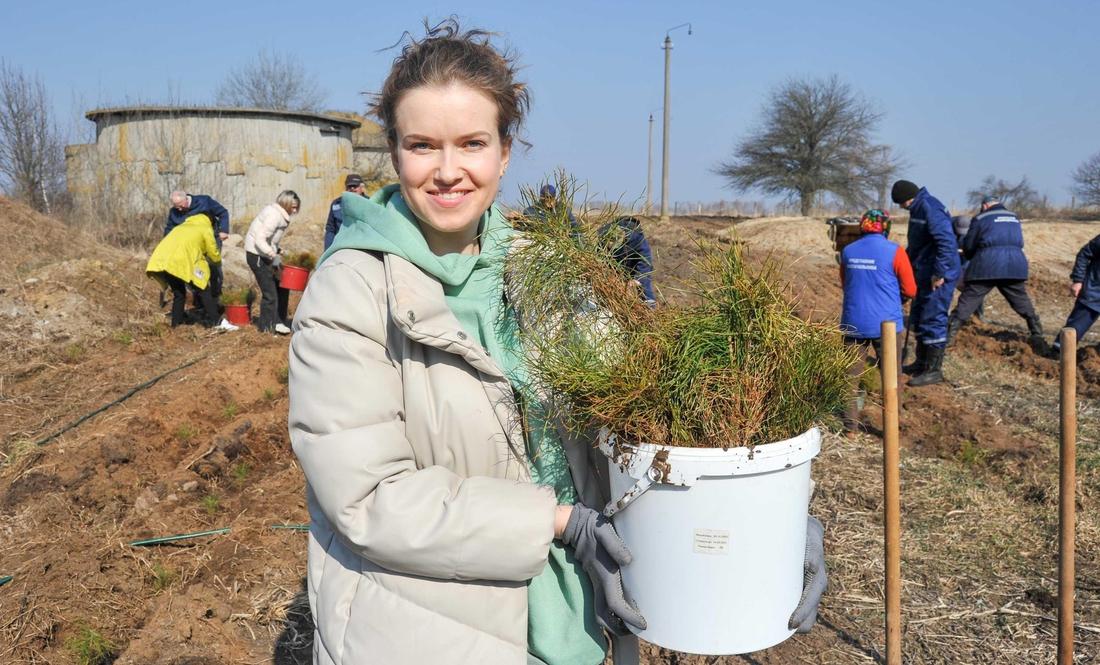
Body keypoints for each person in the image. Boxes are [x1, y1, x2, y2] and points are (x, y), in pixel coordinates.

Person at [287, 22, 825, 665]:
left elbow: (644, 418)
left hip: (584, 632)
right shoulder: (349, 293)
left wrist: (769, 517)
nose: (448, 170)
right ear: (397, 154)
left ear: (505, 152)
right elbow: (370, 499)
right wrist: (561, 522)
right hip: (432, 637)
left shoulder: (550, 274)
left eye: (472, 143)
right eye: (423, 145)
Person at [838, 209, 916, 436]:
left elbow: (846, 285)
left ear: (863, 226)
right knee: (891, 376)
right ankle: (891, 428)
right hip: (887, 325)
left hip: (854, 322)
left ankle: (850, 428)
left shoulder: (848, 251)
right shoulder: (895, 251)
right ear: (887, 228)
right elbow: (910, 289)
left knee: (849, 376)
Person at [892, 179, 961, 387]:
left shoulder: (930, 208)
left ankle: (933, 370)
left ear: (906, 199)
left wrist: (939, 273)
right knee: (920, 316)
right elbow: (918, 243)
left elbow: (946, 243)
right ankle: (921, 363)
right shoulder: (919, 208)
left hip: (938, 275)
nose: (901, 208)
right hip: (923, 271)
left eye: (900, 204)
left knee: (933, 317)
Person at [945, 196, 1042, 345]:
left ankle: (949, 337)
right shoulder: (1014, 217)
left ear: (984, 206)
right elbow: (1019, 241)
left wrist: (970, 256)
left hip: (986, 265)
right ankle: (1036, 332)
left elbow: (970, 245)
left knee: (968, 300)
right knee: (1020, 299)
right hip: (1014, 264)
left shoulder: (980, 218)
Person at [146, 213, 222, 328]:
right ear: (211, 221)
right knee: (203, 289)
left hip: (164, 261)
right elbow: (212, 249)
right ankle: (218, 322)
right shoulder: (205, 227)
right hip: (181, 262)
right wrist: (218, 262)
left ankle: (176, 325)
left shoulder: (180, 226)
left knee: (179, 293)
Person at [245, 190, 299, 334]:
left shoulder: (280, 215)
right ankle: (266, 330)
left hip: (266, 254)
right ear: (285, 204)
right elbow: (259, 239)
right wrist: (272, 254)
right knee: (270, 294)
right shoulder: (274, 216)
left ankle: (278, 321)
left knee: (283, 286)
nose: (295, 210)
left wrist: (278, 250)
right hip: (257, 256)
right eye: (292, 207)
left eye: (296, 207)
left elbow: (270, 239)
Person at [165, 191, 230, 305]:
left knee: (213, 267)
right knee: (192, 269)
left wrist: (223, 230)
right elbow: (169, 229)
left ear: (186, 199)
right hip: (190, 246)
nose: (179, 209)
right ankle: (200, 298)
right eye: (176, 206)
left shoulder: (204, 201)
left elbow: (223, 212)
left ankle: (216, 297)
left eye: (180, 206)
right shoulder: (174, 212)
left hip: (210, 240)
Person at [1052, 231, 1100, 354]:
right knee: (1075, 327)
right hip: (1095, 290)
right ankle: (1058, 354)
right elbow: (1084, 254)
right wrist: (1078, 280)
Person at [598, 217, 656, 305]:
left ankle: (650, 308)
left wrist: (638, 279)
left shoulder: (636, 235)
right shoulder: (604, 236)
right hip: (616, 264)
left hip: (635, 264)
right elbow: (600, 259)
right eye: (609, 243)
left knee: (644, 288)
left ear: (624, 234)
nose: (610, 244)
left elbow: (645, 259)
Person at [951, 215, 985, 324]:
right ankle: (945, 317)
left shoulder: (976, 228)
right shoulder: (947, 228)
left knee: (974, 289)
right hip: (951, 260)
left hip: (968, 260)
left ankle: (978, 316)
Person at [323, 173, 369, 251]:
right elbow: (330, 229)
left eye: (355, 186)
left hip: (363, 248)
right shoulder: (336, 204)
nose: (352, 188)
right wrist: (328, 251)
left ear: (362, 188)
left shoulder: (370, 204)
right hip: (341, 247)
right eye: (349, 186)